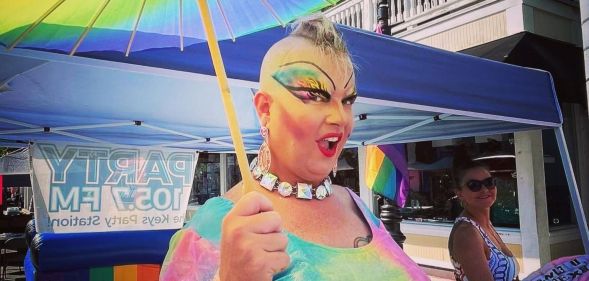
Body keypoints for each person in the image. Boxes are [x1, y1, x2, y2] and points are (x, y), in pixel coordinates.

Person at [160, 15, 429, 281]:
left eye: (347, 101)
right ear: (266, 110)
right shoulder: (209, 231)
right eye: (314, 96)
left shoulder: (356, 204)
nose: (340, 118)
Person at [448, 149, 519, 281]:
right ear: (459, 193)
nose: (485, 190)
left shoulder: (485, 225)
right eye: (474, 185)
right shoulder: (467, 233)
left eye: (489, 182)